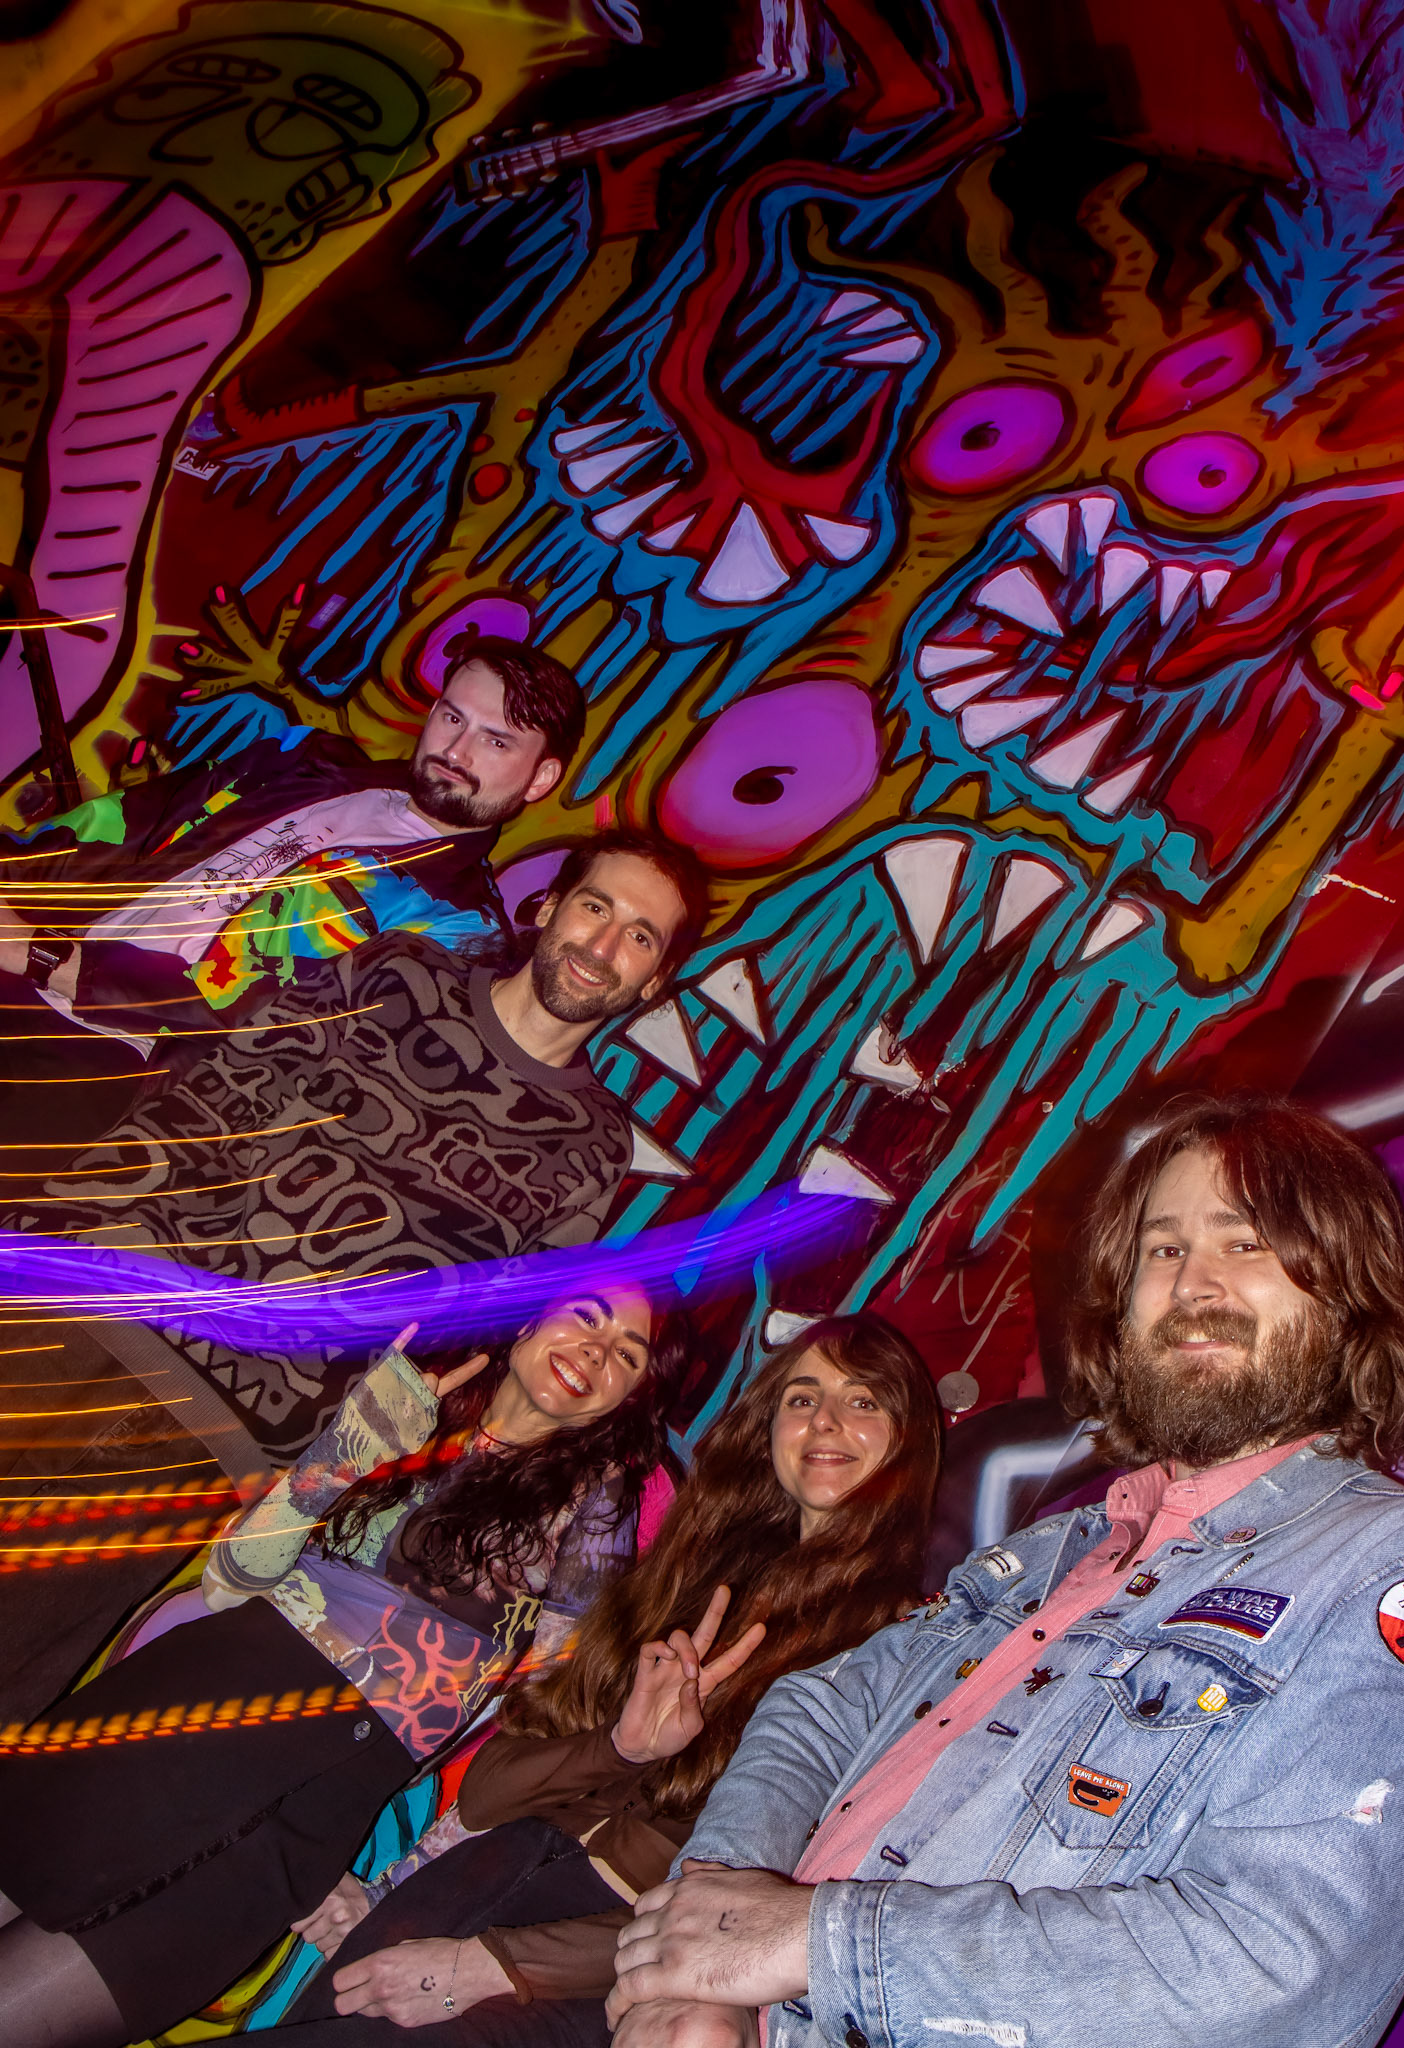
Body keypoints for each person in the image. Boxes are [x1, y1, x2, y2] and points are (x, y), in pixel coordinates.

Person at [604, 1096, 1404, 2048]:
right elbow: (818, 1707)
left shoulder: (1391, 1566)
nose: (1191, 1283)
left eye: (1244, 1243)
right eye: (1162, 1249)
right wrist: (708, 1939)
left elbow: (1275, 1967)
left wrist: (815, 1945)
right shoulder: (1056, 1548)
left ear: (1349, 1291)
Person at [0, 826, 712, 1722]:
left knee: (17, 1641)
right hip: (84, 1302)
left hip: (217, 1426)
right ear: (549, 908)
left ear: (652, 981)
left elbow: (473, 1319)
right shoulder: (397, 972)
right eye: (594, 907)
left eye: (638, 936)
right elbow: (215, 1075)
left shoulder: (592, 1147)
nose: (601, 945)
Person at [0, 1285, 691, 2048]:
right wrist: (347, 1449)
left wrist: (398, 1874)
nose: (596, 1350)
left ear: (630, 1398)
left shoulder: (599, 1504)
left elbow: (532, 1719)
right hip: (194, 1710)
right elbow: (232, 1577)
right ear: (531, 1318)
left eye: (627, 1355)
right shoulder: (412, 1408)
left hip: (316, 1801)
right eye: (586, 1317)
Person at [254, 1313, 944, 2046]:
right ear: (768, 1424)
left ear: (908, 1437)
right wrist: (620, 1748)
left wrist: (502, 1964)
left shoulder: (903, 1645)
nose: (825, 1420)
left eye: (863, 1401)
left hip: (600, 1974)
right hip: (462, 1885)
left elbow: (791, 1905)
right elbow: (489, 1791)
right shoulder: (679, 1577)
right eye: (802, 1397)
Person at [0, 631, 585, 1183]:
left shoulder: (455, 929)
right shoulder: (305, 760)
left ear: (540, 779)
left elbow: (265, 1021)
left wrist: (46, 958)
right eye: (453, 718)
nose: (456, 750)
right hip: (25, 966)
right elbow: (125, 824)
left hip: (113, 1064)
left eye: (495, 741)